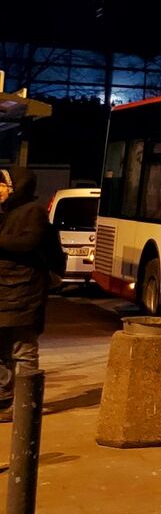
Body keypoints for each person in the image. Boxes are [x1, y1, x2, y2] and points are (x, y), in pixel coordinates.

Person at [0, 168, 54, 422]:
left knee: (22, 350)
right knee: (1, 351)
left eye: (2, 185)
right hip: (3, 292)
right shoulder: (4, 212)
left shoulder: (33, 212)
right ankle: (4, 397)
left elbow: (27, 244)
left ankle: (25, 402)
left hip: (24, 292)